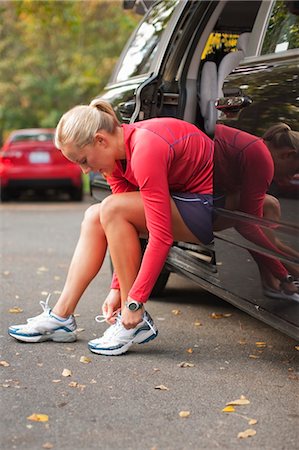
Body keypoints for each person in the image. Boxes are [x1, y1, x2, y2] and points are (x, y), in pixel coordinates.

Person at [8, 99, 214, 355]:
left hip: (210, 208)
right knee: (96, 215)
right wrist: (116, 289)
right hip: (183, 204)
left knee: (110, 208)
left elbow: (161, 237)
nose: (84, 171)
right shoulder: (116, 160)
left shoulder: (145, 149)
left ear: (100, 140)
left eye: (83, 160)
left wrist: (135, 302)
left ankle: (133, 324)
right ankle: (61, 317)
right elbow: (122, 231)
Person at [213, 123, 299, 301]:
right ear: (288, 155)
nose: (292, 178)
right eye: (296, 170)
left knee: (267, 206)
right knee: (262, 211)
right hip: (191, 203)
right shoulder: (262, 159)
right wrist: (286, 274)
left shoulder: (255, 146)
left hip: (193, 195)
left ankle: (272, 281)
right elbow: (247, 225)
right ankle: (273, 282)